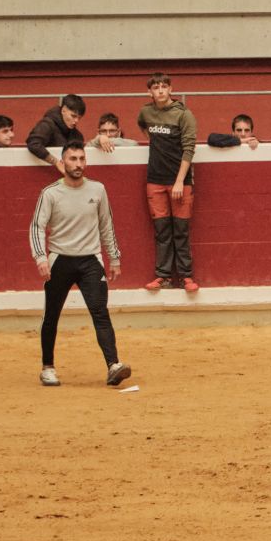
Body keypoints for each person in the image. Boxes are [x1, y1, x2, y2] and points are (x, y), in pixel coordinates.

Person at [29, 143, 130, 388]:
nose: (78, 164)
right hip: (59, 260)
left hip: (90, 260)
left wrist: (114, 257)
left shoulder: (98, 189)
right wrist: (40, 257)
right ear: (63, 162)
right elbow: (37, 226)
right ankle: (47, 367)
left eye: (82, 158)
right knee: (51, 315)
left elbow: (106, 224)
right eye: (73, 159)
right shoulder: (50, 193)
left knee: (100, 312)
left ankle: (113, 365)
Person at [136, 71, 199, 293]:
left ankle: (186, 277)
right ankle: (163, 276)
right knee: (162, 231)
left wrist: (180, 181)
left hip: (180, 182)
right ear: (150, 92)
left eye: (164, 86)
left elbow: (189, 149)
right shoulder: (146, 112)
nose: (160, 90)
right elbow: (143, 126)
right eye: (156, 87)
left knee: (180, 231)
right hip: (155, 181)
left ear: (171, 89)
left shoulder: (184, 114)